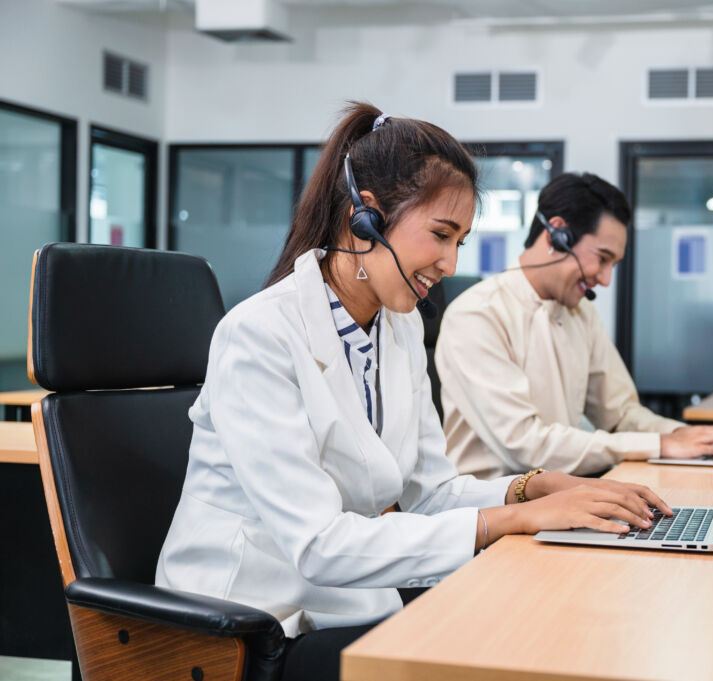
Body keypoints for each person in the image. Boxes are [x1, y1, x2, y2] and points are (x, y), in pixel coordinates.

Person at [155, 104, 671, 681]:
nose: (450, 263)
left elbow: (429, 494)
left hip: (346, 602)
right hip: (251, 622)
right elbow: (319, 544)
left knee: (537, 625)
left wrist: (533, 489)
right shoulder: (259, 335)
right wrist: (514, 521)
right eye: (441, 235)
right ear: (365, 218)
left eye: (461, 241)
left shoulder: (398, 327)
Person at [435, 172, 713, 480]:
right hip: (492, 516)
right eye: (603, 258)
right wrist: (660, 444)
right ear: (557, 234)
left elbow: (620, 414)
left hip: (559, 499)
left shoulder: (580, 313)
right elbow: (525, 445)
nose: (606, 279)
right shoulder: (477, 314)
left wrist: (686, 435)